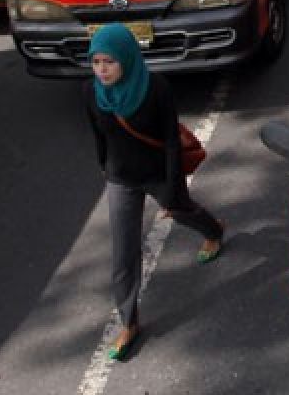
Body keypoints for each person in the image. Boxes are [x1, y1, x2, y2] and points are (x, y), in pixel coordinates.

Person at [85, 24, 224, 361]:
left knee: (182, 210)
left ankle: (214, 231)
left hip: (158, 174)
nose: (102, 70)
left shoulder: (157, 89)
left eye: (110, 62)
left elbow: (172, 143)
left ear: (128, 60)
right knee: (123, 255)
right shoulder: (92, 94)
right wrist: (105, 166)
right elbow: (99, 136)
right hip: (121, 180)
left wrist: (173, 187)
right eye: (96, 62)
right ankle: (129, 322)